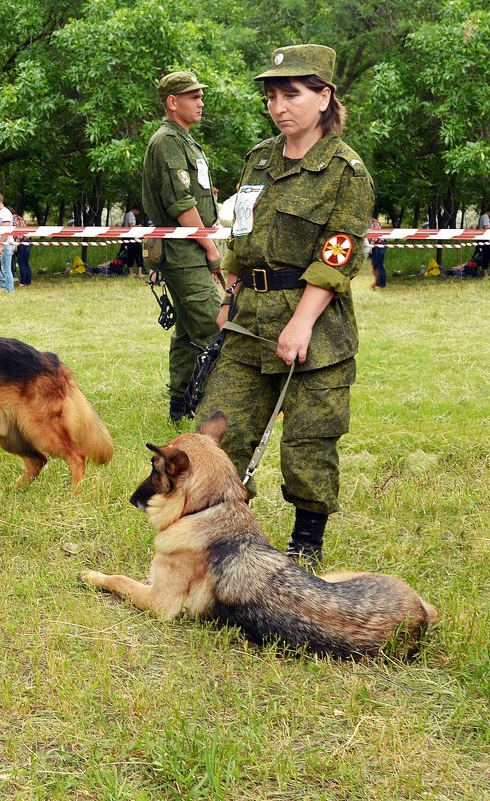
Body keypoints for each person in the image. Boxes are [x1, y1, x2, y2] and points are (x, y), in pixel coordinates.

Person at [195, 44, 375, 565]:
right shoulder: (258, 159)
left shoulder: (345, 171)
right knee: (217, 430)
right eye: (272, 95)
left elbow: (338, 253)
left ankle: (305, 547)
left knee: (308, 441)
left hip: (314, 328)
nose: (279, 106)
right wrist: (230, 295)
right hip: (249, 319)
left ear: (324, 97)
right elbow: (243, 237)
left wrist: (299, 323)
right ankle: (217, 535)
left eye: (291, 94)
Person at [142, 70, 222, 422]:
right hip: (184, 252)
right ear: (172, 103)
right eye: (193, 97)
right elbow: (181, 204)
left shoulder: (185, 140)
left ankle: (181, 405)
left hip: (189, 249)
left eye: (201, 96)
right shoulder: (167, 141)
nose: (201, 102)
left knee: (188, 331)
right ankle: (217, 409)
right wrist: (210, 248)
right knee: (214, 329)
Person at [121, 202, 147, 278]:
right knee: (139, 255)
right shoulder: (131, 215)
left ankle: (131, 272)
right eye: (138, 211)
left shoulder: (127, 214)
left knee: (130, 255)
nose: (138, 213)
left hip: (128, 238)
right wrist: (139, 226)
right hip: (133, 238)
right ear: (136, 210)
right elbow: (131, 225)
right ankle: (139, 272)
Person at [14, 210, 32, 286]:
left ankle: (23, 282)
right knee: (25, 262)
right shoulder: (20, 218)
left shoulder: (15, 220)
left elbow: (19, 234)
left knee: (21, 262)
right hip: (28, 241)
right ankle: (28, 280)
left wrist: (16, 244)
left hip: (23, 242)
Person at [367, 219, 387, 288]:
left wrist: (370, 248)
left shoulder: (373, 223)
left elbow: (374, 238)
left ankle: (380, 283)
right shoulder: (373, 222)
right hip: (378, 245)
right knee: (378, 264)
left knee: (378, 264)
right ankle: (381, 283)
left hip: (378, 245)